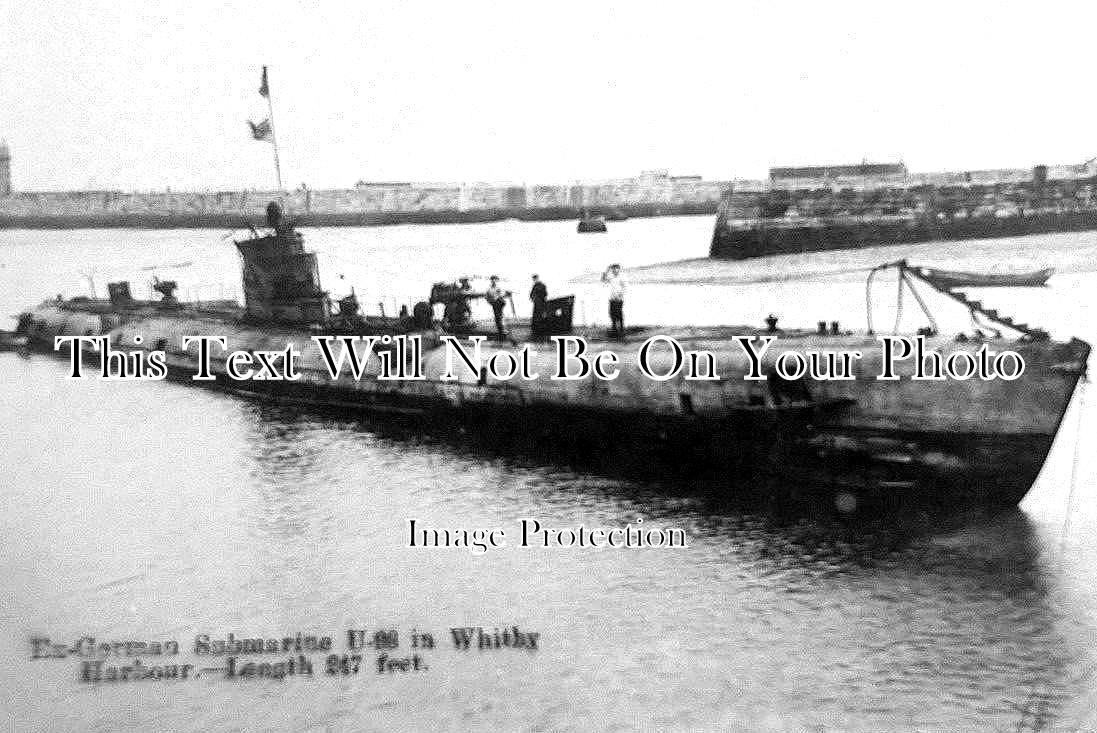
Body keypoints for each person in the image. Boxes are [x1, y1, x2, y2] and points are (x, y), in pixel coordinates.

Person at [602, 263, 626, 337]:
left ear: (618, 269)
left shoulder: (622, 277)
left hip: (619, 298)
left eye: (616, 269)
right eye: (613, 269)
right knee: (612, 314)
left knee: (619, 314)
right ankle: (614, 329)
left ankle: (621, 329)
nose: (614, 270)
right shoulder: (611, 277)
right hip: (612, 298)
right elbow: (603, 279)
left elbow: (625, 287)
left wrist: (620, 295)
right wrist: (606, 270)